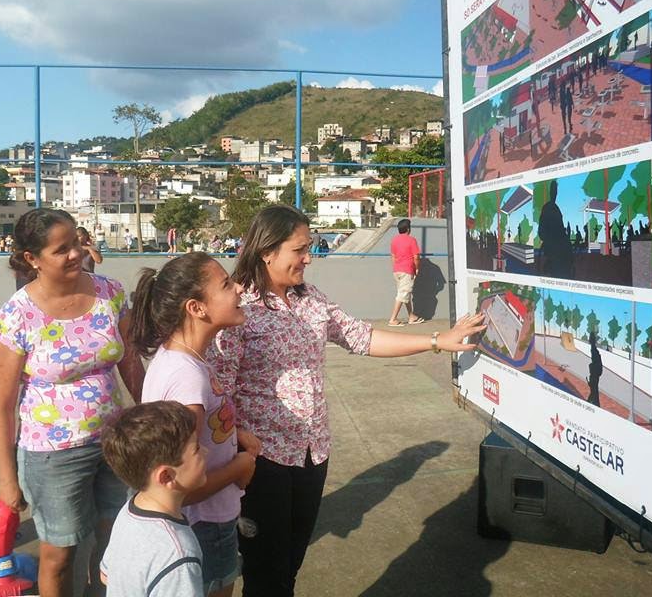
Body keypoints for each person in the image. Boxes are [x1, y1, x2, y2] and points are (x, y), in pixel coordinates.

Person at [208, 204, 486, 597]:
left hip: (312, 453)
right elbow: (217, 386)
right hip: (262, 459)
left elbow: (362, 337)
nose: (309, 258)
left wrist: (437, 340)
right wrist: (238, 437)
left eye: (309, 247)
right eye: (299, 249)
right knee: (265, 572)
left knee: (290, 564)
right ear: (267, 251)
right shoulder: (240, 307)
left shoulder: (310, 298)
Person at [0, 208, 142, 597]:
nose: (75, 253)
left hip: (115, 444)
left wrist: (148, 418)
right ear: (32, 258)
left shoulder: (110, 293)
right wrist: (8, 479)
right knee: (59, 554)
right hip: (52, 455)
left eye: (76, 242)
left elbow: (130, 363)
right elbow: (3, 406)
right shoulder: (16, 316)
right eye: (61, 249)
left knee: (116, 542)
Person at [130, 252, 259, 597]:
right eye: (226, 284)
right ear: (196, 308)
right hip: (206, 524)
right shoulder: (186, 379)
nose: (239, 289)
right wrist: (239, 468)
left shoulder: (185, 359)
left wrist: (234, 434)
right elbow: (179, 485)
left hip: (207, 521)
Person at [100, 401, 206, 597]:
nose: (206, 451)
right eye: (197, 449)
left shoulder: (129, 511)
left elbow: (106, 575)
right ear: (167, 476)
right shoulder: (178, 554)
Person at [388, 218, 424, 327]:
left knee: (405, 293)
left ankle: (411, 316)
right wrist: (417, 268)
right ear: (408, 229)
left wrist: (396, 267)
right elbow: (416, 257)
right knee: (403, 294)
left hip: (397, 271)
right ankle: (393, 319)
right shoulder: (411, 240)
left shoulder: (394, 240)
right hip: (407, 270)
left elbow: (393, 256)